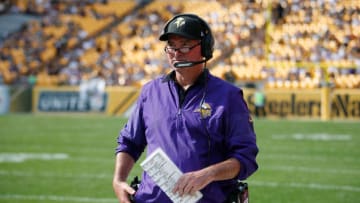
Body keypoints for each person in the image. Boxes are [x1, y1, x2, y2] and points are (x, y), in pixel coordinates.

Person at [113, 13, 258, 203]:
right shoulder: (150, 91)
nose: (176, 52)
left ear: (205, 48)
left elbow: (245, 158)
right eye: (171, 46)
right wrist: (118, 179)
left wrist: (208, 174)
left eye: (185, 45)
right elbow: (129, 141)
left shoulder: (229, 96)